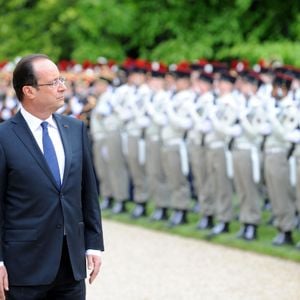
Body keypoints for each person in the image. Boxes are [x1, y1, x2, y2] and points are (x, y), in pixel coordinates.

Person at [0, 54, 104, 300]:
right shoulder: (4, 137)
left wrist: (93, 244)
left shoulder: (74, 129)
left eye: (62, 80)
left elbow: (87, 191)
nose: (63, 87)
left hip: (71, 265)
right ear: (29, 91)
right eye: (54, 82)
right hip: (23, 267)